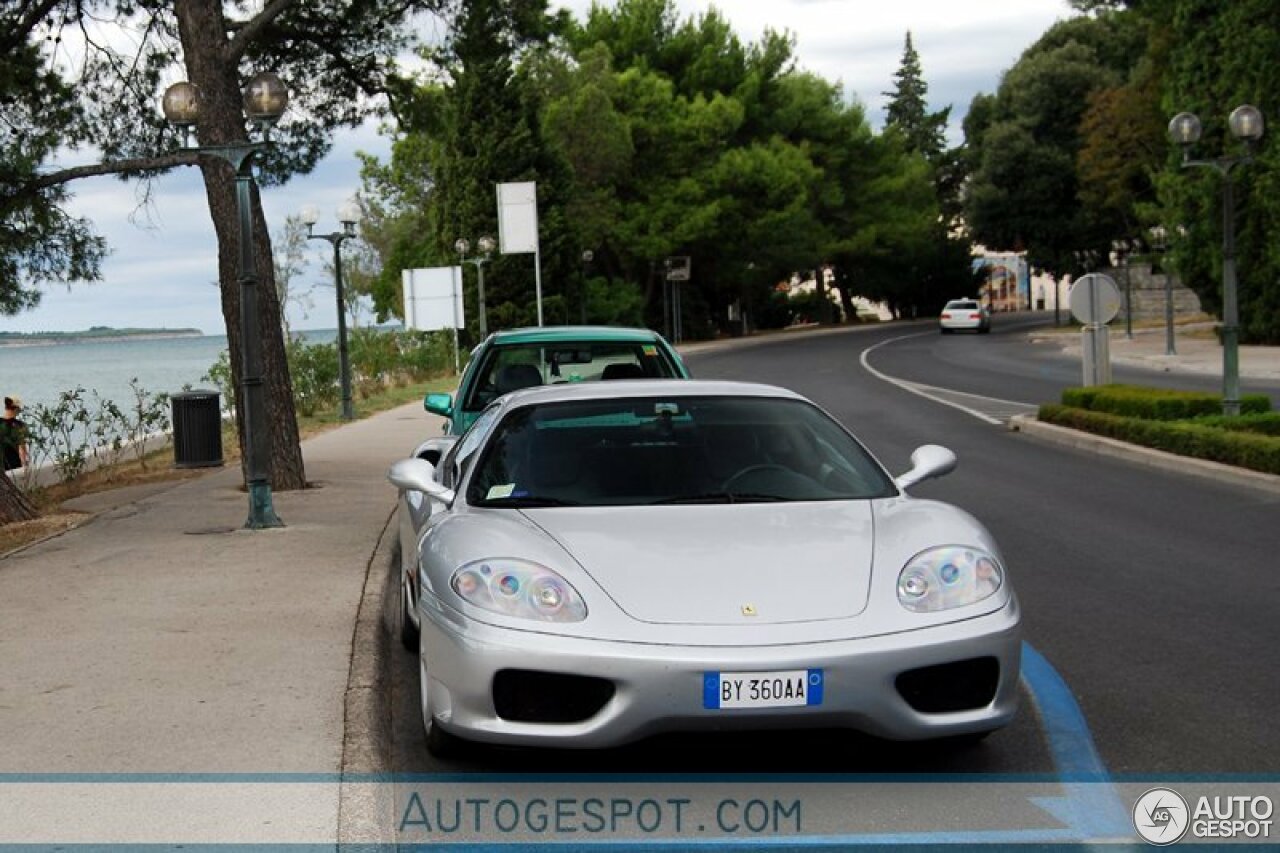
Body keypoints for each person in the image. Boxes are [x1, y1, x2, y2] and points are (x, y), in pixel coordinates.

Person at [2, 395, 30, 473]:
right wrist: (24, 465)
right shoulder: (20, 425)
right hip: (14, 465)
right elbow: (22, 448)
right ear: (17, 409)